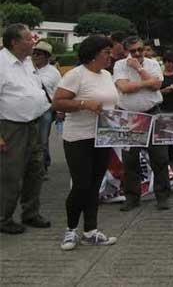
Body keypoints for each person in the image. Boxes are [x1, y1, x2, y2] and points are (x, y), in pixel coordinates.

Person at [52, 35, 119, 250]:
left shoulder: (107, 75)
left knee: (94, 185)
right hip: (78, 137)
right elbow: (58, 102)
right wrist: (83, 103)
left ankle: (91, 230)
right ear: (93, 54)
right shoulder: (76, 75)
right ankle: (71, 230)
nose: (110, 56)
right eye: (106, 52)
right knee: (81, 185)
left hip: (102, 137)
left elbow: (111, 104)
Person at [0, 24, 51, 234]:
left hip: (32, 124)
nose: (34, 42)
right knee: (10, 174)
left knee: (35, 169)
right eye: (29, 39)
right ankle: (3, 218)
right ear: (14, 42)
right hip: (10, 127)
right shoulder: (1, 63)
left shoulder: (28, 62)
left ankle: (30, 212)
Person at [114, 36, 171, 211]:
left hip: (152, 114)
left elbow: (156, 86)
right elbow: (124, 88)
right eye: (133, 51)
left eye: (140, 49)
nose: (137, 53)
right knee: (130, 159)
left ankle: (162, 196)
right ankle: (132, 197)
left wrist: (139, 69)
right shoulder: (119, 65)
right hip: (130, 117)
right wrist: (148, 82)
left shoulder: (152, 63)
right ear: (125, 52)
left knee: (159, 157)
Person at [32, 40, 62, 175]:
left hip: (46, 110)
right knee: (30, 139)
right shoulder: (27, 68)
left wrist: (60, 111)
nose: (35, 56)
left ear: (46, 56)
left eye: (39, 54)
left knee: (42, 139)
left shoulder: (54, 72)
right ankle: (37, 163)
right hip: (29, 109)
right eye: (34, 53)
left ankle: (42, 167)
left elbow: (59, 92)